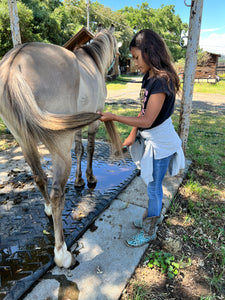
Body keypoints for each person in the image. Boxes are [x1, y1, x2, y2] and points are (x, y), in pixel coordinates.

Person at [98, 29, 185, 247]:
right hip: (151, 138)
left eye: (137, 57)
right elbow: (143, 112)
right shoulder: (148, 78)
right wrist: (131, 134)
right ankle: (149, 218)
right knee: (151, 186)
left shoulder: (161, 82)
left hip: (161, 144)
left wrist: (115, 117)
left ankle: (149, 231)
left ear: (150, 52)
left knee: (154, 188)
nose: (135, 63)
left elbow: (147, 121)